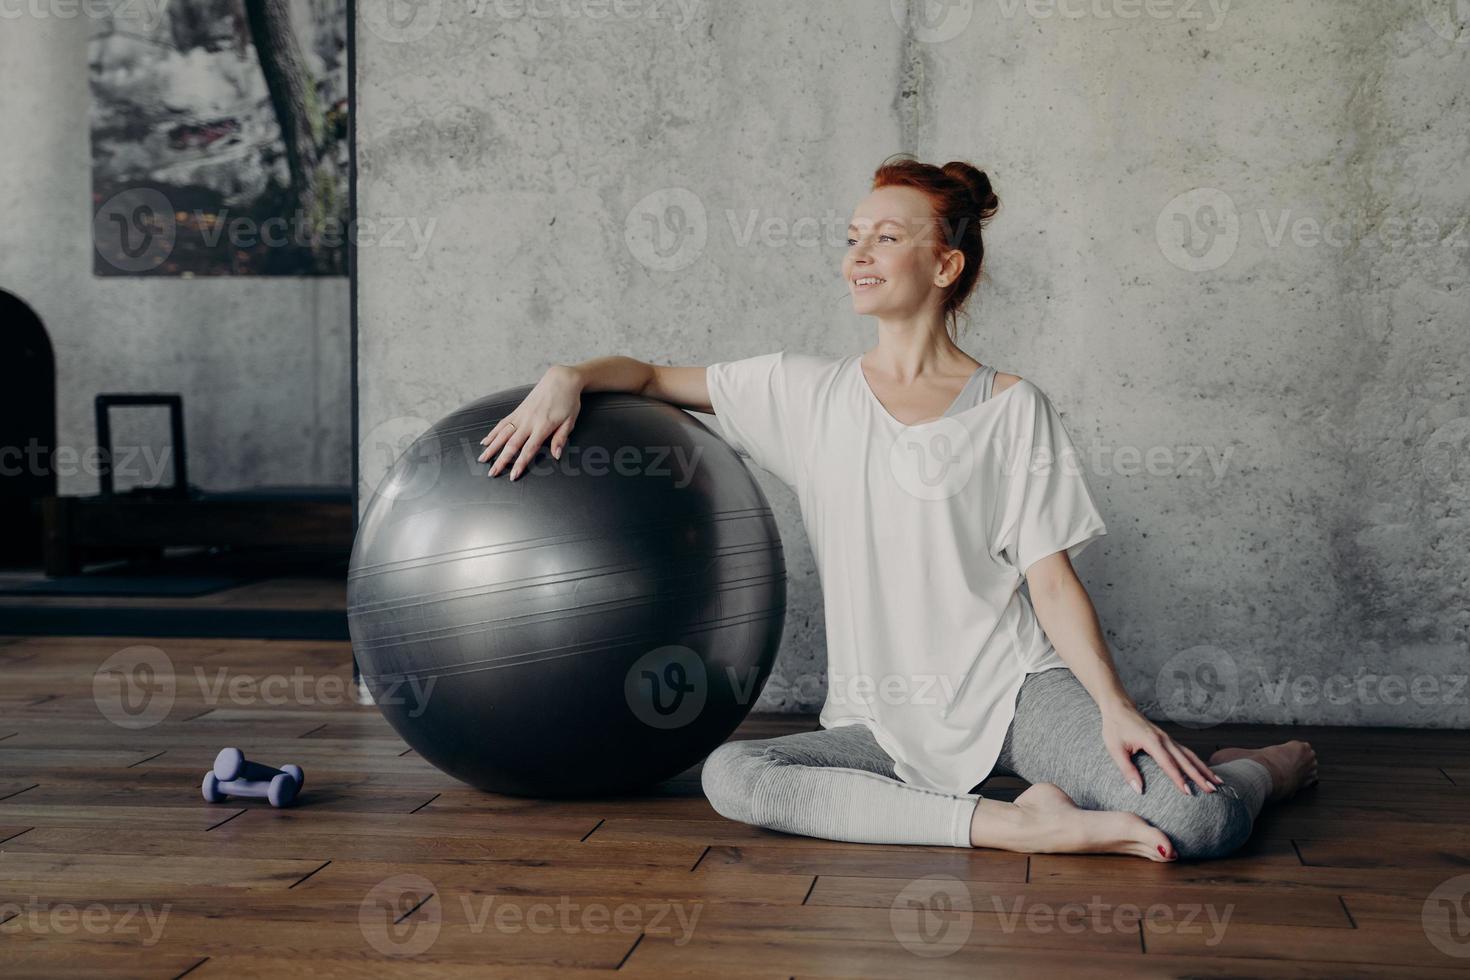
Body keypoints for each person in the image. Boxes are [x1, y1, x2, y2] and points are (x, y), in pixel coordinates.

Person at [475, 154, 1317, 861]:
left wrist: (1114, 707)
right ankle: (1017, 828)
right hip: (878, 720)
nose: (857, 256)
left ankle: (1266, 767)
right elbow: (655, 378)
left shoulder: (1012, 407)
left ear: (945, 265)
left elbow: (1050, 582)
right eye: (851, 239)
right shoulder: (802, 393)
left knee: (1201, 821)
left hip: (1013, 694)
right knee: (736, 777)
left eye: (885, 237)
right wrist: (567, 376)